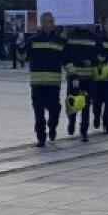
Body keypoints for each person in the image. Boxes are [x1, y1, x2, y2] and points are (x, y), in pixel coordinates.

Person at [25, 12, 65, 147]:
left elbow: (66, 60)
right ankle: (41, 137)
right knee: (39, 111)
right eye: (47, 21)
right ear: (42, 23)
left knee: (55, 109)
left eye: (52, 22)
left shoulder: (60, 41)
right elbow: (23, 57)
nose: (50, 24)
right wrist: (19, 48)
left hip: (54, 83)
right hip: (38, 83)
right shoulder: (33, 40)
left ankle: (52, 126)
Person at [64, 25, 100, 141]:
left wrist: (93, 61)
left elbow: (100, 55)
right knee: (73, 102)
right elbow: (65, 56)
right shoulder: (69, 35)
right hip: (74, 76)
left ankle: (84, 131)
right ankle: (71, 121)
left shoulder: (94, 37)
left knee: (86, 104)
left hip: (88, 77)